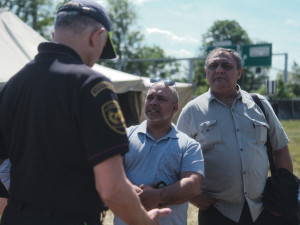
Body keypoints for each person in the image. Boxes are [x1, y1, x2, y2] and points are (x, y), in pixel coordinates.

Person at [0, 0, 171, 224]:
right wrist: (145, 221)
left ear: (54, 34)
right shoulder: (92, 85)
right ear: (97, 36)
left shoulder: (14, 85)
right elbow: (111, 190)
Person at [177, 47, 294, 225]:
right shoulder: (191, 111)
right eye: (213, 65)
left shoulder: (260, 104)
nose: (219, 70)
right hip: (216, 211)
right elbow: (176, 158)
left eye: (226, 65)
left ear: (239, 72)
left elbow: (280, 149)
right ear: (206, 72)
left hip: (264, 209)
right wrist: (193, 196)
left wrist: (283, 193)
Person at [114, 80, 205, 225]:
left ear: (175, 108)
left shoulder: (189, 145)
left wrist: (158, 196)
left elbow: (192, 185)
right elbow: (110, 174)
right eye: (150, 97)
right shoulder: (123, 137)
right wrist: (133, 192)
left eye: (161, 99)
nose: (153, 102)